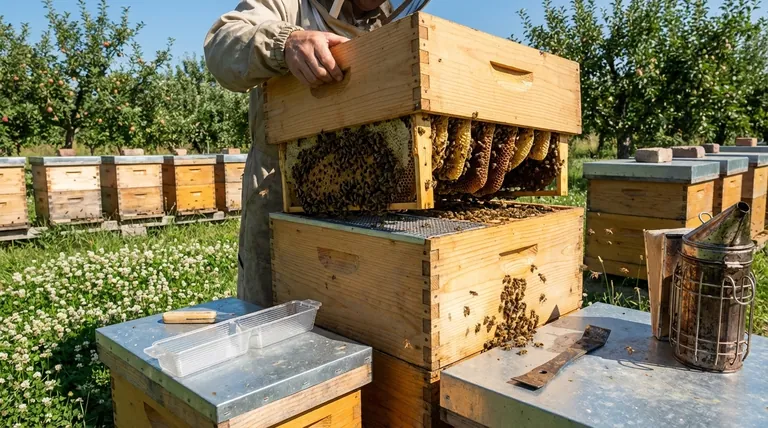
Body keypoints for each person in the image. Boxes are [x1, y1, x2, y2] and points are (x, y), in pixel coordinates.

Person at [204, 0, 430, 307]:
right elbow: (221, 44)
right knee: (275, 334)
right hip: (282, 205)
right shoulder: (288, 4)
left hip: (373, 218)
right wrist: (286, 42)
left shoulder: (391, 21)